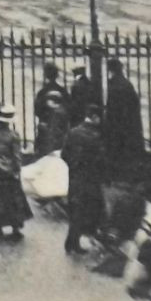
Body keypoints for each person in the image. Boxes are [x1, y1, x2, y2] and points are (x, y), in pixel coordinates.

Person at [61, 105, 107, 255]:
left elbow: (64, 155)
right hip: (90, 177)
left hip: (74, 175)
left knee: (76, 208)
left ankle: (73, 242)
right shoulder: (95, 135)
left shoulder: (73, 132)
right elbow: (100, 159)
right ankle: (73, 241)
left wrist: (73, 166)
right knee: (89, 208)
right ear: (95, 117)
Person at [0, 104, 32, 241]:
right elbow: (17, 156)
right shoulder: (14, 136)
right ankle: (15, 228)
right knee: (13, 199)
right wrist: (17, 169)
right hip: (9, 171)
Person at [102, 58, 144, 163]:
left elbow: (113, 107)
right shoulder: (126, 84)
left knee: (118, 150)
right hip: (129, 123)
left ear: (110, 70)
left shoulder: (113, 85)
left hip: (118, 123)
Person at [34, 62, 66, 143]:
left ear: (45, 75)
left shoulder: (42, 92)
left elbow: (37, 110)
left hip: (45, 126)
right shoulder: (62, 91)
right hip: (60, 127)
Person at [36, 90, 72, 156]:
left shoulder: (56, 113)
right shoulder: (61, 110)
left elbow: (54, 130)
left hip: (55, 144)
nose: (46, 102)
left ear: (53, 101)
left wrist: (43, 127)